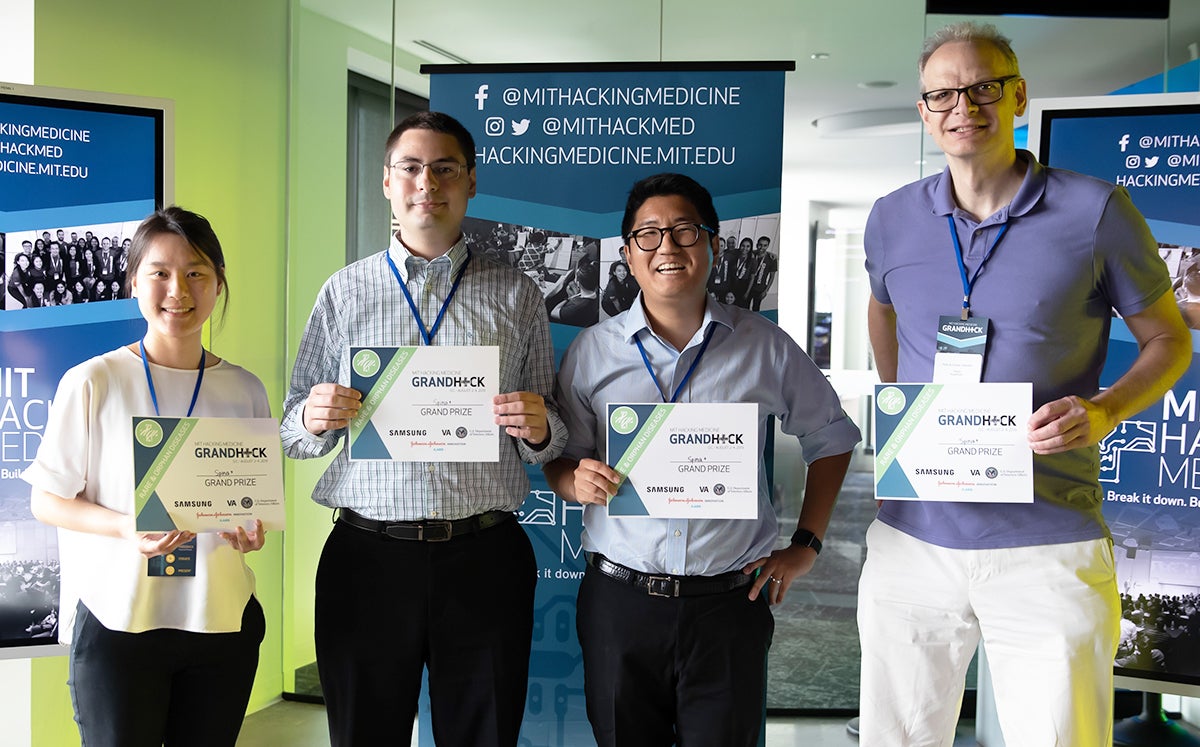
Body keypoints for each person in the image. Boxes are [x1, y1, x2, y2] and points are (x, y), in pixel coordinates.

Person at [858, 22, 1191, 746]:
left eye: (983, 87)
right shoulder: (890, 219)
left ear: (1017, 96)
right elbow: (883, 311)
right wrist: (910, 412)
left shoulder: (1098, 211)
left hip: (1048, 541)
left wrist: (1104, 410)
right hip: (912, 543)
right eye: (941, 93)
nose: (962, 106)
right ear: (923, 110)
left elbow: (1170, 338)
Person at [281, 110, 567, 747]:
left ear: (470, 183)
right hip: (367, 557)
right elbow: (292, 433)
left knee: (484, 734)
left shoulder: (515, 294)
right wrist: (312, 417)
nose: (426, 183)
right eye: (410, 168)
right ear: (387, 181)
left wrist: (542, 427)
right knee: (364, 735)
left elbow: (552, 431)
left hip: (484, 557)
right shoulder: (344, 293)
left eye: (444, 169)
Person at [545, 173, 860, 747]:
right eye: (649, 235)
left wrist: (806, 545)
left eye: (685, 231)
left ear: (713, 245)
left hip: (729, 605)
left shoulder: (765, 345)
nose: (667, 246)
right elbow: (562, 461)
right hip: (621, 603)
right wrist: (576, 482)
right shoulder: (593, 350)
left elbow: (833, 437)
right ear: (628, 256)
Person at [23, 206, 269, 747]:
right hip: (121, 621)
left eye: (196, 272)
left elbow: (248, 504)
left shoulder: (244, 388)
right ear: (133, 281)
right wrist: (124, 525)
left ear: (218, 283)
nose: (177, 289)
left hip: (220, 621)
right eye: (159, 272)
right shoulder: (94, 381)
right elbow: (46, 501)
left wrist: (250, 534)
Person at [551, 258, 601, 327]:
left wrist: (567, 299)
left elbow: (553, 313)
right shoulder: (598, 295)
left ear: (578, 283)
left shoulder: (575, 307)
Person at [745, 235, 778, 311]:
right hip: (748, 286)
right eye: (760, 245)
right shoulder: (752, 254)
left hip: (760, 288)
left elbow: (772, 277)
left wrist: (766, 291)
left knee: (756, 308)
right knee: (745, 307)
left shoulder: (772, 259)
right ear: (757, 245)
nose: (762, 247)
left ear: (768, 246)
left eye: (765, 245)